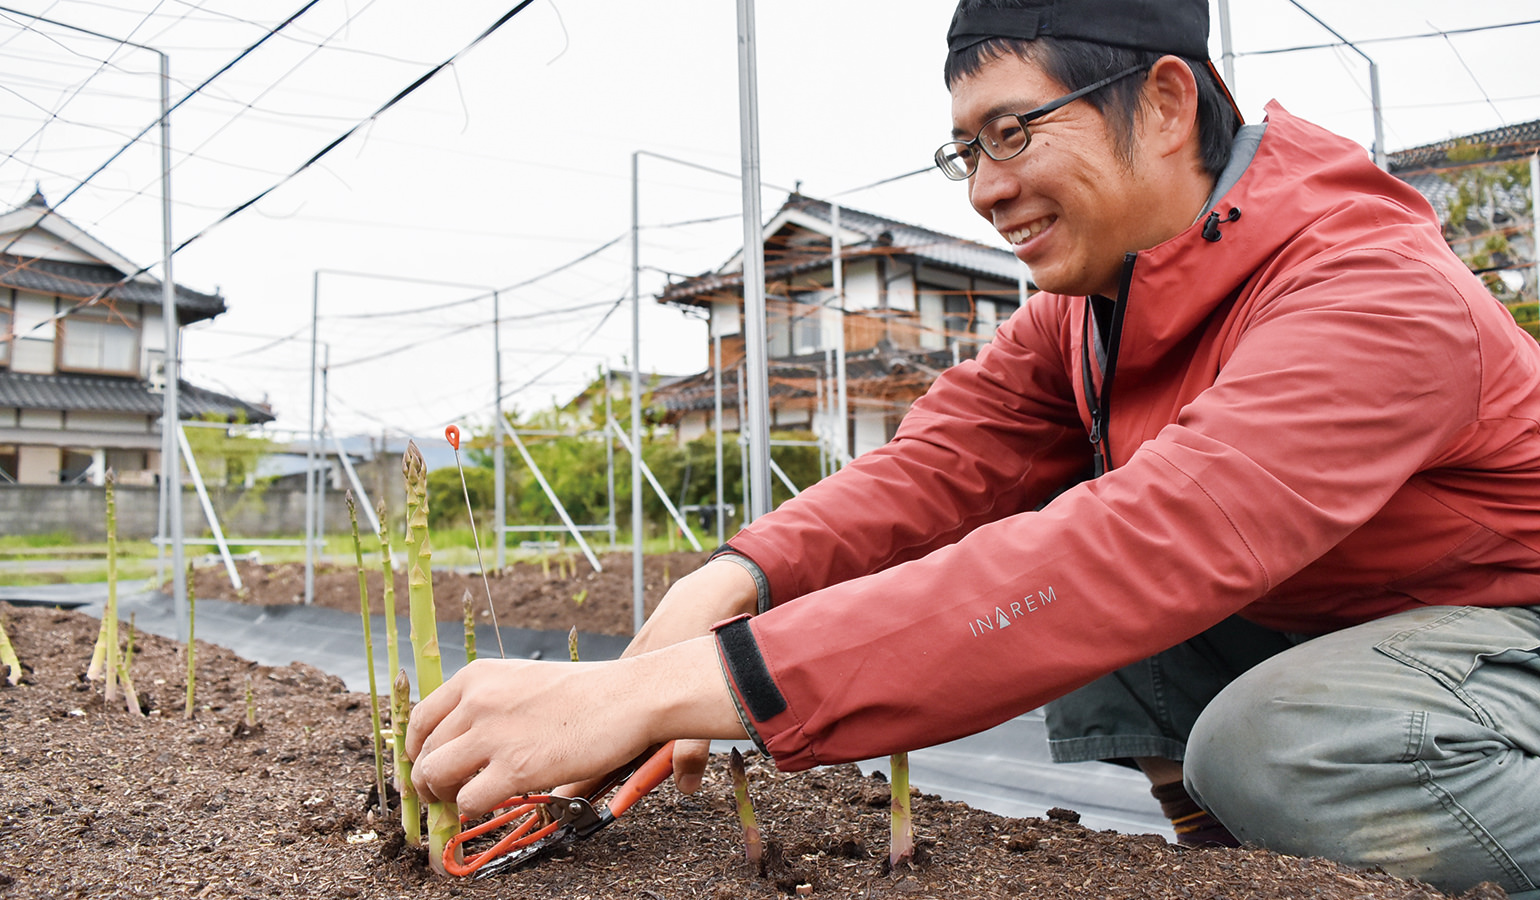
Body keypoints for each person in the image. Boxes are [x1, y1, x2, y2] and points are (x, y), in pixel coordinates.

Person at [407, 1, 1540, 895]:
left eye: (1014, 131)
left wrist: (675, 698)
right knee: (1059, 569)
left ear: (1160, 101)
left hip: (1510, 632)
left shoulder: (1369, 293)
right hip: (1371, 622)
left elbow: (1149, 545)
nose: (989, 188)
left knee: (1275, 741)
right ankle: (1225, 867)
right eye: (965, 151)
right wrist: (725, 586)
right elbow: (937, 468)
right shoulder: (1098, 306)